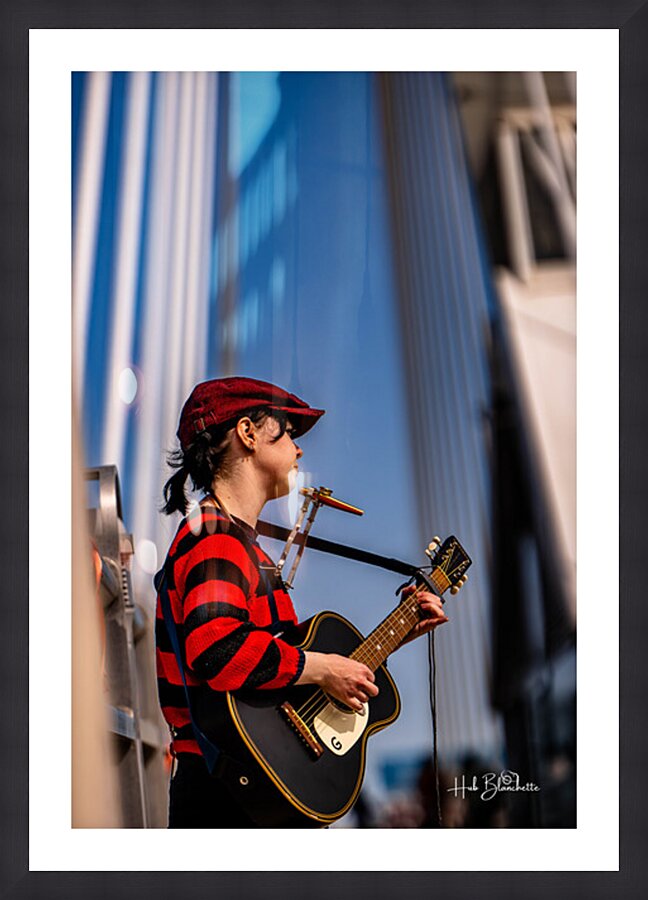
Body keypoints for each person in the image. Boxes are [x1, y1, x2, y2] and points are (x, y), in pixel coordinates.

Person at [155, 376, 449, 828]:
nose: (299, 448)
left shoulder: (240, 544)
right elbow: (218, 650)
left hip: (242, 791)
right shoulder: (215, 537)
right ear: (248, 434)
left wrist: (397, 635)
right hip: (224, 801)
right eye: (288, 431)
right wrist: (326, 669)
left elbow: (272, 679)